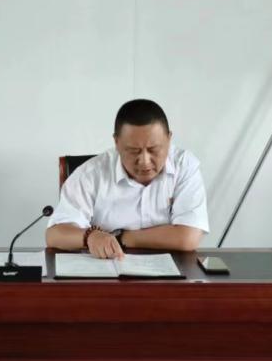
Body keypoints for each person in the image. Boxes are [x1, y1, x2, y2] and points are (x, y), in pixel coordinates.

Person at [46, 99, 208, 259]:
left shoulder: (184, 165)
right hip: (107, 269)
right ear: (116, 142)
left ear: (169, 138)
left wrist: (120, 237)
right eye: (133, 151)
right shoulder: (90, 174)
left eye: (153, 149)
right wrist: (90, 236)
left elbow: (188, 238)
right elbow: (54, 235)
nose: (144, 161)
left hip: (171, 271)